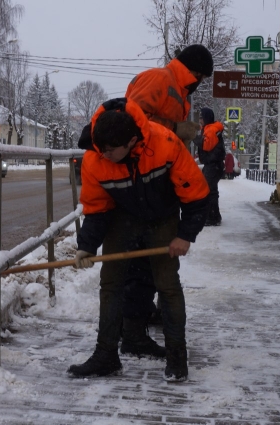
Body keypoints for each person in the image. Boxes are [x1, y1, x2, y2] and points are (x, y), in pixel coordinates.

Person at [68, 98, 209, 381]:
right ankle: (106, 355)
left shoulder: (165, 144)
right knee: (110, 284)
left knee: (167, 284)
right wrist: (86, 246)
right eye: (100, 149)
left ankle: (176, 359)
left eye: (110, 150)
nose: (103, 154)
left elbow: (196, 194)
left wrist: (185, 235)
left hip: (163, 217)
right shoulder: (96, 158)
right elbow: (96, 209)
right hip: (121, 217)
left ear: (132, 141)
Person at [114, 44, 214, 358]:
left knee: (150, 260)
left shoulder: (180, 92)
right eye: (199, 75)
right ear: (193, 71)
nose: (199, 81)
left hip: (157, 180)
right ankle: (131, 334)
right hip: (140, 179)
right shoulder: (159, 80)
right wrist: (175, 129)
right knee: (140, 262)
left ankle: (139, 318)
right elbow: (130, 122)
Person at [194, 108, 225, 225]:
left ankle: (213, 217)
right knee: (211, 191)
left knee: (209, 191)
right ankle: (214, 216)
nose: (200, 120)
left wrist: (195, 138)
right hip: (212, 164)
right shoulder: (208, 128)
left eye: (201, 118)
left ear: (206, 118)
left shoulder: (211, 129)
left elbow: (206, 146)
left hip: (213, 165)